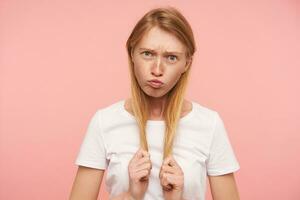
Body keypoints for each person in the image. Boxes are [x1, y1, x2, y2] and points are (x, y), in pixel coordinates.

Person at [69, 6, 240, 200]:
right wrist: (131, 196)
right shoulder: (104, 121)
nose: (157, 70)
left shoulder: (209, 124)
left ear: (187, 63)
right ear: (131, 53)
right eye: (148, 54)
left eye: (171, 57)